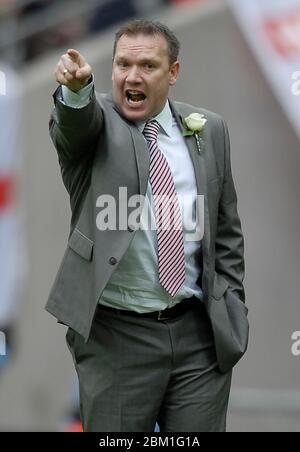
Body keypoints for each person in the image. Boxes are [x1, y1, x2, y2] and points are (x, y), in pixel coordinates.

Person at [46, 19, 249, 432]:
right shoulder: (97, 121)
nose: (132, 77)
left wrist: (231, 307)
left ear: (173, 73)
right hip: (118, 339)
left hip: (199, 337)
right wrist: (75, 90)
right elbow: (73, 126)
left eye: (148, 67)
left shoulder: (209, 129)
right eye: (122, 65)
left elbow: (227, 232)